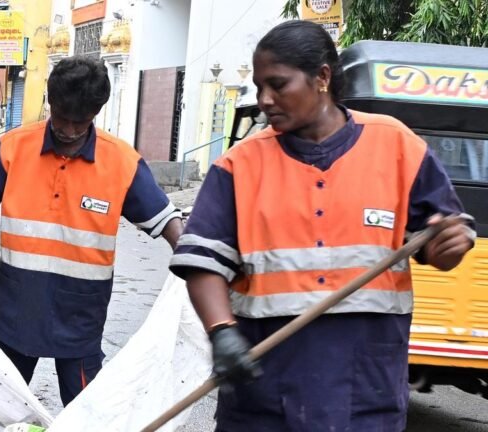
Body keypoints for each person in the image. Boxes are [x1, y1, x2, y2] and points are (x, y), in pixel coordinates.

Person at [169, 21, 476, 432]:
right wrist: (221, 331)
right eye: (260, 86)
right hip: (265, 395)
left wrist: (450, 243)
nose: (264, 100)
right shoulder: (239, 166)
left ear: (322, 78)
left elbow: (439, 245)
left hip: (365, 395)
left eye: (277, 85)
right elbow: (203, 261)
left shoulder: (397, 146)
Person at [0, 56, 184, 406]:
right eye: (63, 119)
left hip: (81, 315)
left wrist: (199, 264)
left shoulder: (121, 161)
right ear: (49, 102)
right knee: (0, 408)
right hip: (19, 308)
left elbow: (167, 221)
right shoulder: (14, 147)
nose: (71, 131)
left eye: (81, 122)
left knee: (86, 413)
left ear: (97, 112)